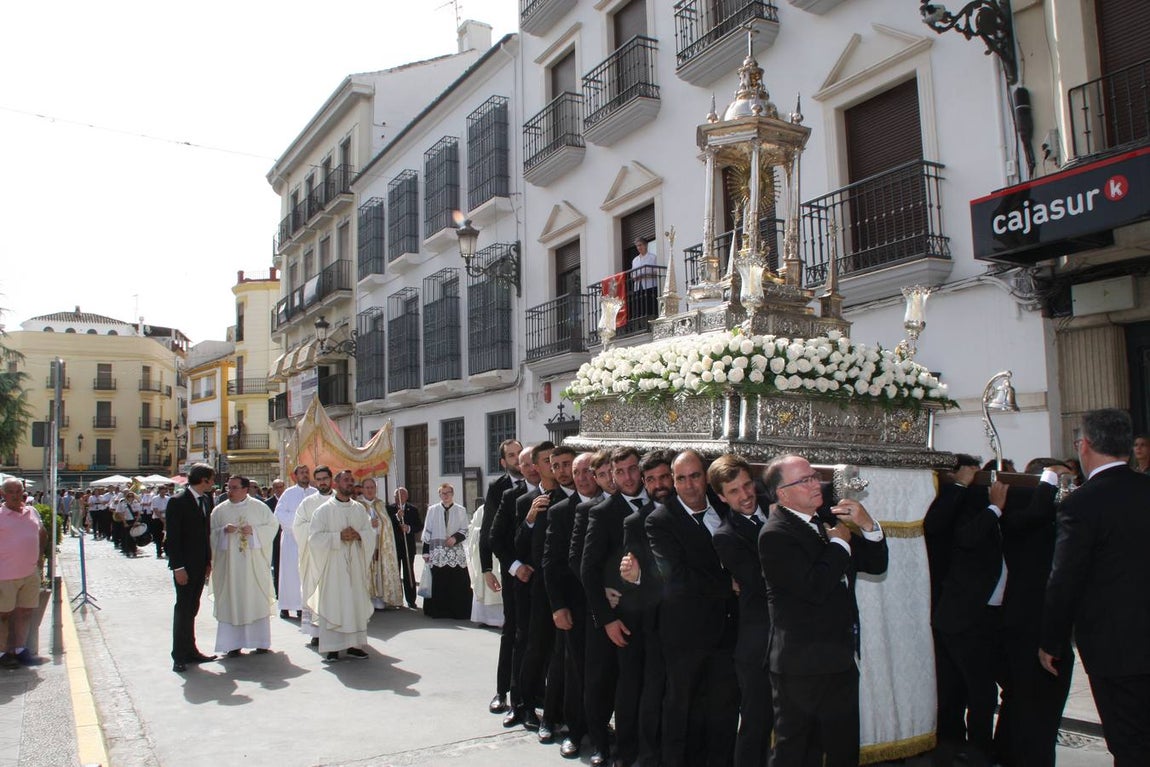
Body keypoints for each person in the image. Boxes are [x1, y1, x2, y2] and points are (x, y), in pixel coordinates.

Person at [758, 454, 888, 767]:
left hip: (838, 659)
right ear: (783, 494)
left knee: (844, 750)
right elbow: (813, 588)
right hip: (800, 667)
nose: (816, 484)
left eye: (815, 476)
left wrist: (867, 525)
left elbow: (875, 564)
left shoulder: (825, 522)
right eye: (805, 480)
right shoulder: (776, 535)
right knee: (796, 753)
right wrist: (840, 545)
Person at [1041, 409, 1150, 764]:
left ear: (1085, 446)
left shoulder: (1082, 504)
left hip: (1114, 647)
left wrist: (1052, 641)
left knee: (1129, 743)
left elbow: (1065, 579)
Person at [582, 446, 650, 767]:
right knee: (609, 684)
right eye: (619, 471)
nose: (627, 477)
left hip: (652, 615)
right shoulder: (603, 512)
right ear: (610, 473)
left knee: (642, 688)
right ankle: (606, 747)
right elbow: (588, 569)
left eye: (632, 469)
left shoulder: (660, 502)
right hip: (617, 617)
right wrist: (606, 619)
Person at [711, 454, 774, 767]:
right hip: (757, 645)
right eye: (734, 491)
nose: (745, 495)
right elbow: (763, 582)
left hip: (798, 639)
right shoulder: (726, 536)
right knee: (755, 725)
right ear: (722, 497)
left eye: (747, 485)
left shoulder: (779, 504)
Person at [542, 451, 602, 759]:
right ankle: (575, 732)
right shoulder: (561, 511)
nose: (581, 477)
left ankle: (602, 731)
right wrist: (557, 606)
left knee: (603, 673)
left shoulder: (612, 504)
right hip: (574, 607)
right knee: (576, 671)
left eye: (588, 470)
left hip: (608, 608)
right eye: (576, 472)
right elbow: (551, 564)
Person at [490, 445, 541, 728]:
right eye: (526, 463)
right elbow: (494, 536)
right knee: (515, 636)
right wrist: (512, 567)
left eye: (536, 461)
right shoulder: (510, 496)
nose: (532, 467)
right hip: (516, 580)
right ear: (519, 468)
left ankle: (538, 696)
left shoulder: (554, 491)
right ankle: (506, 693)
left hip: (543, 583)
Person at [308, 470, 375, 662]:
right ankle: (333, 648)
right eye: (346, 480)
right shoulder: (323, 511)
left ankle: (355, 645)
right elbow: (314, 539)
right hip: (333, 566)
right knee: (335, 602)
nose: (350, 483)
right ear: (336, 484)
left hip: (354, 564)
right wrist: (337, 537)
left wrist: (359, 535)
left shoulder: (359, 509)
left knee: (354, 602)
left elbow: (369, 532)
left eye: (351, 480)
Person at [210, 476, 278, 657]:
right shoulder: (219, 511)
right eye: (228, 487)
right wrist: (223, 531)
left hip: (253, 566)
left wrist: (254, 532)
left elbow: (272, 527)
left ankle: (260, 641)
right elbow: (210, 534)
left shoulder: (259, 507)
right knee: (232, 599)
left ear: (245, 489)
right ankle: (233, 644)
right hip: (230, 568)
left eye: (233, 487)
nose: (229, 491)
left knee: (254, 598)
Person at [480, 438, 523, 715]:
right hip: (510, 570)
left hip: (537, 570)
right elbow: (488, 531)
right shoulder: (499, 488)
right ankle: (502, 690)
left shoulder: (542, 481)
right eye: (512, 455)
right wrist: (486, 568)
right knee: (511, 630)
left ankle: (531, 690)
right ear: (503, 462)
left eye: (520, 454)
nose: (518, 459)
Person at [166, 463, 217, 673]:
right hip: (184, 566)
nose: (213, 483)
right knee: (183, 609)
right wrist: (178, 567)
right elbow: (173, 538)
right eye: (211, 479)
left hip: (199, 565)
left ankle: (191, 649)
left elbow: (206, 534)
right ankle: (179, 655)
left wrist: (208, 562)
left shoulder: (206, 500)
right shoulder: (177, 502)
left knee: (192, 608)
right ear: (203, 480)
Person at [0, 478, 48, 668]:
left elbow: (42, 533)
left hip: (30, 573)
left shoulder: (32, 511)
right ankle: (2, 652)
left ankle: (20, 649)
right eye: (11, 491)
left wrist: (40, 557)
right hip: (5, 575)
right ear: (3, 494)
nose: (15, 495)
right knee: (3, 615)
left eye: (19, 491)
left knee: (25, 612)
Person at [294, 467, 334, 645]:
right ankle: (316, 632)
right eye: (319, 479)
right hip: (313, 557)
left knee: (336, 594)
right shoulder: (308, 503)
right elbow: (298, 526)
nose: (322, 482)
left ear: (331, 479)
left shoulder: (341, 500)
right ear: (315, 481)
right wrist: (317, 530)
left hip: (336, 557)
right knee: (315, 593)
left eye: (325, 478)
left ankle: (337, 629)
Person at [421, 483, 473, 620]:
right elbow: (427, 531)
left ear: (452, 493)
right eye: (443, 493)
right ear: (439, 495)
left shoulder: (460, 510)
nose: (446, 495)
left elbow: (465, 530)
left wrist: (455, 538)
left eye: (448, 492)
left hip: (455, 552)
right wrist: (425, 552)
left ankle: (459, 612)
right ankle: (438, 611)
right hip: (437, 552)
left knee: (458, 582)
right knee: (439, 582)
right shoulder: (432, 510)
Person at [274, 465, 316, 619]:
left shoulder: (315, 493)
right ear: (295, 476)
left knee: (305, 573)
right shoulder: (288, 493)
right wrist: (299, 524)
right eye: (302, 473)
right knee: (289, 573)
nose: (305, 475)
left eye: (307, 472)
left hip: (309, 540)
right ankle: (286, 605)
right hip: (291, 540)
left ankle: (301, 605)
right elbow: (279, 514)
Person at [359, 477, 404, 609]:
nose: (370, 490)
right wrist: (368, 524)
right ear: (362, 489)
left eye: (372, 487)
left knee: (379, 569)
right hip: (365, 545)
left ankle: (380, 596)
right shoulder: (357, 505)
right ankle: (367, 597)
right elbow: (356, 524)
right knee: (367, 570)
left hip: (381, 543)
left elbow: (387, 523)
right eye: (367, 487)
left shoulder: (380, 504)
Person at [388, 487, 423, 609]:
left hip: (408, 546)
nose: (399, 497)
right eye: (396, 495)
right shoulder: (389, 509)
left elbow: (419, 526)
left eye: (401, 495)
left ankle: (411, 599)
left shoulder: (412, 509)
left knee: (408, 572)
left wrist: (408, 528)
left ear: (406, 497)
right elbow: (387, 525)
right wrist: (397, 517)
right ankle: (397, 599)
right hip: (395, 546)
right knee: (395, 572)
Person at [630, 237, 659, 323]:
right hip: (638, 287)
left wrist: (646, 275)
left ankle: (652, 321)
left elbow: (657, 272)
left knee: (650, 305)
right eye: (637, 246)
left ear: (646, 245)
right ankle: (642, 323)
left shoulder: (653, 257)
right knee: (640, 306)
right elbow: (632, 273)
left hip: (651, 285)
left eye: (640, 245)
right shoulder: (635, 260)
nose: (639, 248)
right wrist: (634, 277)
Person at [265, 479, 285, 598]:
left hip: (289, 538)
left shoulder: (288, 500)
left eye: (281, 486)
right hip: (275, 539)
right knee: (277, 566)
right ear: (273, 489)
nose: (279, 489)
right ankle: (278, 591)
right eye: (276, 487)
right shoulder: (267, 503)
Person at [116, 491, 141, 557]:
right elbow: (119, 513)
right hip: (126, 521)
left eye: (132, 496)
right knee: (127, 537)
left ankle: (134, 550)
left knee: (134, 536)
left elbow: (139, 512)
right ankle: (127, 550)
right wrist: (124, 522)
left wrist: (136, 521)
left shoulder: (136, 503)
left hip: (134, 521)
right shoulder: (122, 503)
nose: (131, 498)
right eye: (129, 496)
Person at [151, 485, 170, 558]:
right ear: (159, 491)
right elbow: (155, 510)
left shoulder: (168, 499)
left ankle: (167, 551)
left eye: (164, 490)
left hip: (166, 518)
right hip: (157, 519)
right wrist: (162, 519)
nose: (163, 492)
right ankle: (159, 552)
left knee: (167, 536)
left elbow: (169, 509)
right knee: (158, 536)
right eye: (162, 490)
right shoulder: (155, 498)